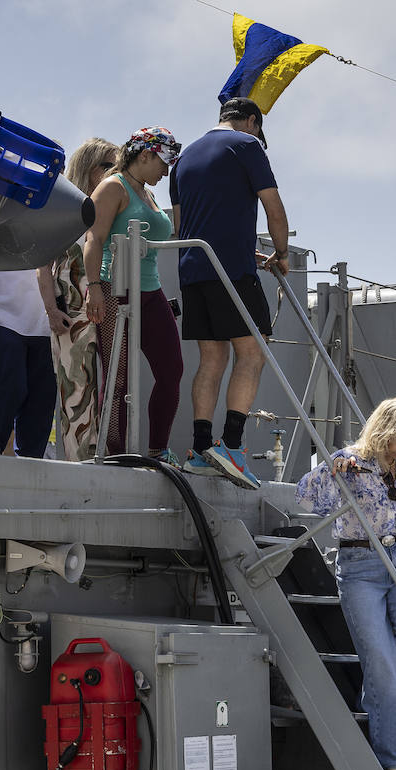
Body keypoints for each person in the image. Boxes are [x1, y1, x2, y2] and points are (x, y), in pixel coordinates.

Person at [295, 397, 396, 770]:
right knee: (382, 662)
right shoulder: (348, 460)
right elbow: (305, 495)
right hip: (359, 565)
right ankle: (394, 758)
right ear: (382, 431)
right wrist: (332, 472)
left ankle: (378, 694)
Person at [170, 96, 289, 488]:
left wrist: (240, 247)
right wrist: (282, 253)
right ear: (252, 122)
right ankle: (233, 447)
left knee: (211, 358)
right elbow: (273, 206)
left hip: (193, 268)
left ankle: (201, 449)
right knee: (253, 351)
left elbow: (184, 224)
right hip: (231, 272)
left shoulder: (184, 157)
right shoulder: (247, 145)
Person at [81, 128, 184, 461]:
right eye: (163, 163)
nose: (166, 171)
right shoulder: (113, 187)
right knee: (118, 375)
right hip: (115, 288)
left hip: (151, 290)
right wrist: (94, 287)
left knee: (171, 370)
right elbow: (93, 239)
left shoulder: (147, 192)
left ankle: (158, 450)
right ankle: (116, 453)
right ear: (144, 156)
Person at [51, 138, 110, 462]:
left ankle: (108, 457)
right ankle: (79, 465)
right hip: (72, 315)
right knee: (76, 394)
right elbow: (43, 268)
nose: (114, 173)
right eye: (107, 166)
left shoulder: (112, 212)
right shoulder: (66, 214)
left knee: (114, 386)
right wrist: (51, 309)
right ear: (88, 170)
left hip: (108, 307)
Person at [0, 268, 63, 457]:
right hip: (2, 318)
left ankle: (31, 463)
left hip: (44, 325)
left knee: (42, 396)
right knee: (11, 386)